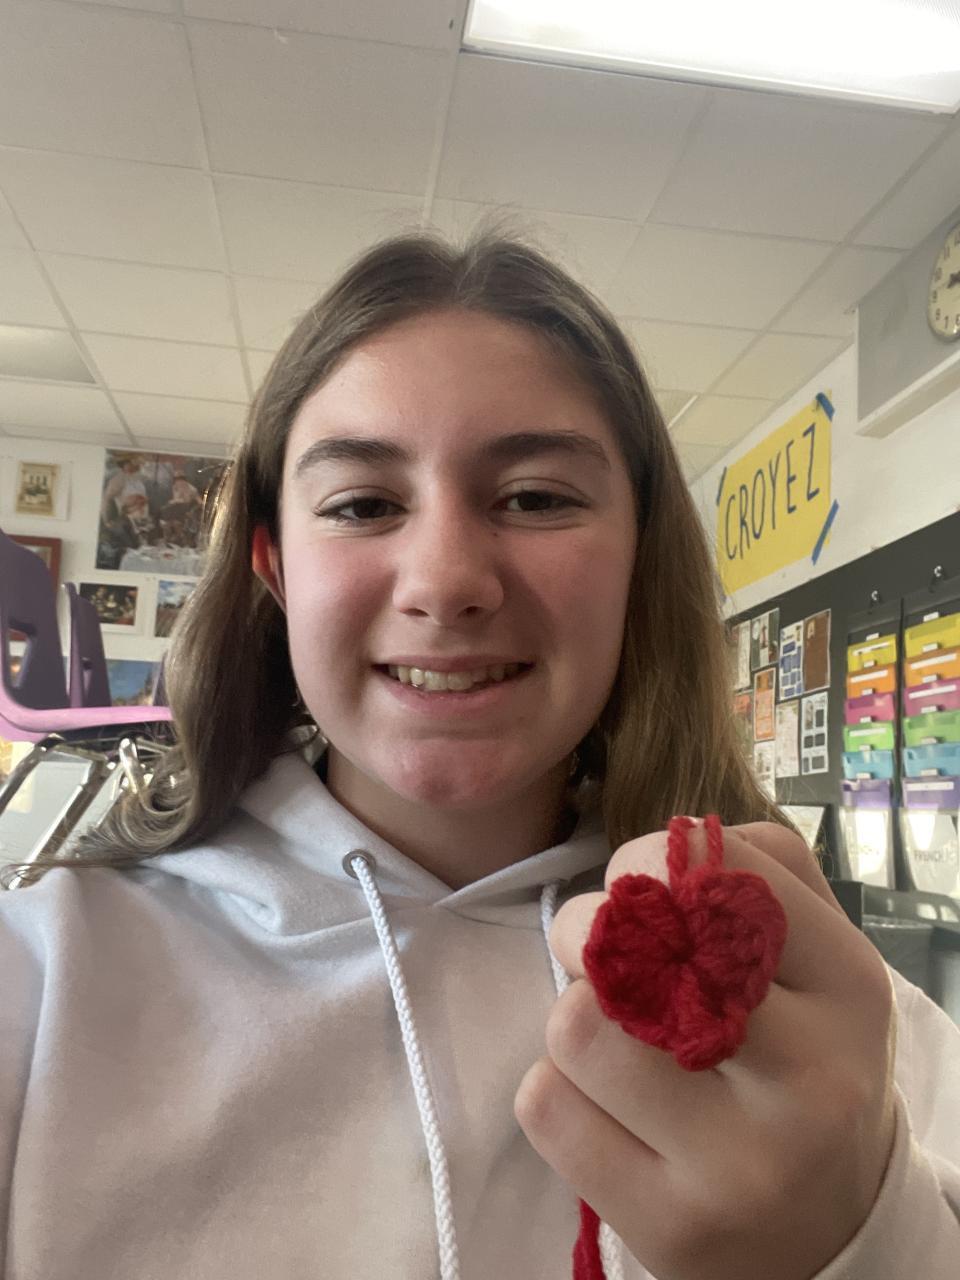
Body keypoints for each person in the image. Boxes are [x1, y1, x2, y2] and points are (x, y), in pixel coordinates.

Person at [1, 231, 957, 1280]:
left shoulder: (844, 1034)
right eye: (363, 505)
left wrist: (862, 1242)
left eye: (537, 497)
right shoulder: (43, 976)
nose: (447, 580)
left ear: (639, 558)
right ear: (274, 568)